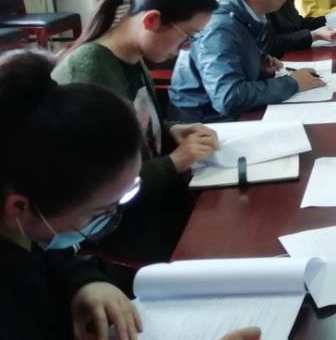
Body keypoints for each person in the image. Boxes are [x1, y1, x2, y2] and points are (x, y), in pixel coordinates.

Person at [0, 51, 261, 340]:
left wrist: (86, 282)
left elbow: (55, 259)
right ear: (19, 208)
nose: (112, 214)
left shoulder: (29, 225)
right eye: (99, 212)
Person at [52, 0, 220, 262]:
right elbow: (101, 185)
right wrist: (175, 162)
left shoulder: (132, 56)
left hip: (152, 202)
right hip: (114, 225)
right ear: (152, 20)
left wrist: (170, 130)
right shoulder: (91, 70)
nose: (183, 49)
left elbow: (135, 126)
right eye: (187, 37)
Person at [169, 0, 324, 123]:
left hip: (229, 116)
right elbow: (227, 97)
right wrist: (292, 83)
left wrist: (258, 67)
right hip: (203, 125)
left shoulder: (248, 14)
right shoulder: (220, 27)